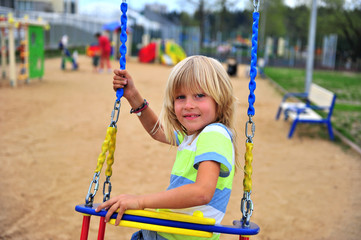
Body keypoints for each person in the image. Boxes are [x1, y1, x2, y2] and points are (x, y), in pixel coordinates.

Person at [96, 55, 240, 240]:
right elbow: (158, 131)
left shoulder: (214, 133)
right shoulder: (194, 135)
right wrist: (133, 96)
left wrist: (140, 201)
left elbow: (202, 192)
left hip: (180, 236)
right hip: (168, 232)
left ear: (220, 99)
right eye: (180, 97)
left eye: (200, 95)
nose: (188, 105)